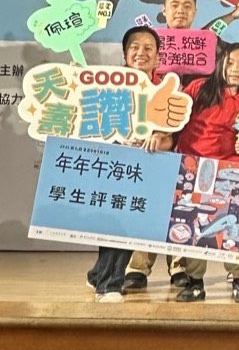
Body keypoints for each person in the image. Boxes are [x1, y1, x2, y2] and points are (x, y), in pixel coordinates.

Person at [123, 0, 239, 293]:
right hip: (154, 135)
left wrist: (234, 15)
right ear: (163, 10)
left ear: (195, 12)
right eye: (175, 5)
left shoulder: (202, 42)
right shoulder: (151, 43)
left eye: (188, 6)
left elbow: (214, 31)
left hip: (191, 136)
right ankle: (138, 266)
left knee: (184, 206)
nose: (181, 10)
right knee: (150, 201)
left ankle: (179, 267)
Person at [172, 42, 239, 302]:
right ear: (221, 63)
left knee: (234, 227)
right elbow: (174, 117)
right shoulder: (198, 88)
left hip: (229, 171)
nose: (236, 69)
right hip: (191, 167)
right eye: (231, 63)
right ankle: (195, 282)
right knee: (194, 226)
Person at [88, 26, 173, 301]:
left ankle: (101, 276)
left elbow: (173, 136)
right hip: (111, 162)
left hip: (146, 166)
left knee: (129, 223)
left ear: (158, 57)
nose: (141, 53)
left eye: (149, 48)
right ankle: (107, 283)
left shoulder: (167, 89)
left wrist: (160, 138)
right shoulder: (108, 85)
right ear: (125, 55)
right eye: (134, 47)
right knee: (114, 221)